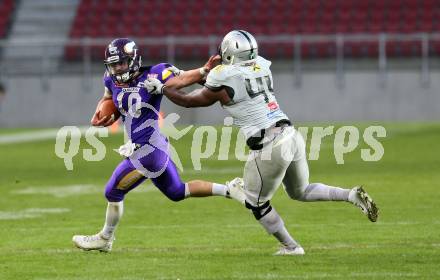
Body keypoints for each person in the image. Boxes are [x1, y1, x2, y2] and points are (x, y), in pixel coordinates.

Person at [144, 30, 379, 256]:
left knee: (256, 203)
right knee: (301, 191)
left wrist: (163, 88)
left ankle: (291, 247)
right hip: (290, 134)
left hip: (269, 145)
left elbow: (188, 101)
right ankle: (349, 195)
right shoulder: (262, 66)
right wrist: (206, 72)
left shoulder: (223, 77)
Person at [72, 38, 245, 252]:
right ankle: (229, 189)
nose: (117, 69)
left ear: (133, 60)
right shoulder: (111, 79)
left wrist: (203, 70)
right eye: (113, 64)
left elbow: (179, 80)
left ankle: (105, 238)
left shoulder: (154, 74)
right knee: (176, 191)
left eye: (121, 63)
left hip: (148, 150)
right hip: (151, 148)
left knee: (112, 192)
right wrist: (100, 113)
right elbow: (108, 98)